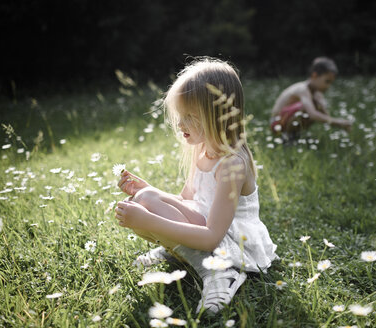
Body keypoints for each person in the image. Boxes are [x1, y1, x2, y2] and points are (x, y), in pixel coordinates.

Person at [114, 58, 277, 314]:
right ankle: (179, 251)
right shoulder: (203, 148)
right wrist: (148, 192)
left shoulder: (232, 164)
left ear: (218, 115)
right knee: (145, 197)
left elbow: (213, 235)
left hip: (234, 242)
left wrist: (148, 221)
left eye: (189, 117)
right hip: (209, 229)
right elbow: (186, 200)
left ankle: (221, 274)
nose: (180, 125)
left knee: (147, 207)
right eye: (180, 116)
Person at [270, 57, 352, 139]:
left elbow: (326, 116)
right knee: (307, 108)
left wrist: (338, 123)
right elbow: (313, 114)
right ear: (314, 75)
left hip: (286, 122)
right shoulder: (303, 89)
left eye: (331, 83)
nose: (328, 86)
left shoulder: (316, 94)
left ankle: (295, 135)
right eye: (327, 81)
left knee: (316, 105)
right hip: (277, 124)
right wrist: (338, 122)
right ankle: (287, 138)